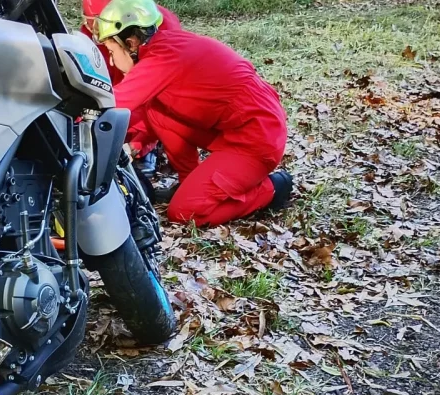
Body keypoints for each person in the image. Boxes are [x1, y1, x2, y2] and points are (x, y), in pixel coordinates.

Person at [94, 0, 293, 226]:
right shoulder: (166, 46)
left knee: (184, 213)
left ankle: (272, 188)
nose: (111, 61)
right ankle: (189, 182)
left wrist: (74, 114)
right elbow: (144, 114)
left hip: (256, 138)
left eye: (111, 51)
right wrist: (136, 143)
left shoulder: (162, 58)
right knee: (157, 112)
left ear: (130, 43)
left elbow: (112, 102)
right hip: (236, 127)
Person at [81, 0, 181, 159]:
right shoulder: (92, 31)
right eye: (90, 24)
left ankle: (149, 149)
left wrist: (137, 144)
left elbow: (159, 104)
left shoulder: (161, 29)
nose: (92, 30)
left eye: (97, 26)